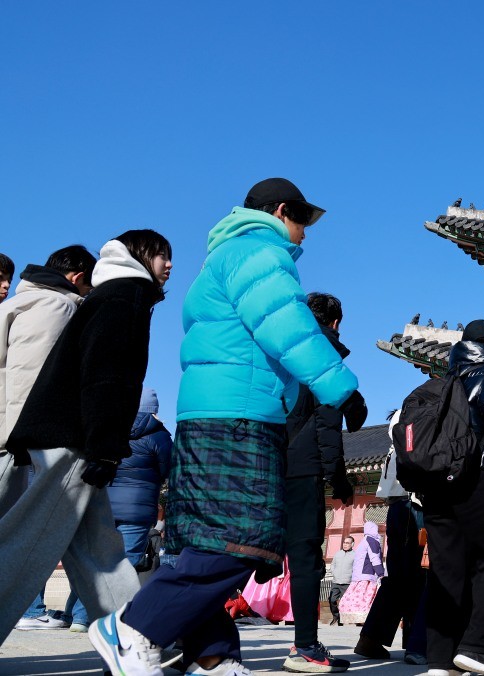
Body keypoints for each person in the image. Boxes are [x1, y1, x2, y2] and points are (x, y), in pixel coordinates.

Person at [89, 179, 367, 676]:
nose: (305, 234)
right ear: (282, 211)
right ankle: (132, 629)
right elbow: (287, 324)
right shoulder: (259, 252)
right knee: (244, 538)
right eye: (303, 220)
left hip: (208, 414)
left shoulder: (223, 256)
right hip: (237, 417)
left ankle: (211, 656)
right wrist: (341, 388)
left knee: (203, 541)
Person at [2, 231, 170, 646]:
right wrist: (105, 447)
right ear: (141, 256)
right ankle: (135, 641)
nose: (169, 266)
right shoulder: (125, 297)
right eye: (164, 256)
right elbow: (107, 378)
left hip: (58, 434)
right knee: (25, 546)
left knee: (102, 554)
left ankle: (133, 641)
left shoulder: (109, 295)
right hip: (70, 437)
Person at [0, 245, 97, 630]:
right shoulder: (57, 306)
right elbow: (28, 378)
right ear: (76, 277)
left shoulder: (23, 301)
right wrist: (20, 441)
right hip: (16, 444)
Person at [424, 319, 484, 676]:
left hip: (437, 480)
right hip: (478, 473)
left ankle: (439, 659)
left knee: (447, 567)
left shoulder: (447, 375)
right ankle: (479, 647)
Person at [281, 291, 357, 672]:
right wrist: (339, 480)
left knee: (242, 552)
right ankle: (305, 646)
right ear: (336, 322)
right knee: (306, 560)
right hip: (304, 471)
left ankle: (189, 634)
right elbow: (328, 425)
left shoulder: (280, 350)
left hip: (268, 463)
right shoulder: (322, 356)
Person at [356, 409, 430, 665]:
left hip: (397, 509)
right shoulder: (410, 442)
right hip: (414, 509)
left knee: (402, 575)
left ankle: (376, 638)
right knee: (417, 574)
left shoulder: (392, 447)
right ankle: (410, 642)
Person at [107, 388, 173, 569]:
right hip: (138, 510)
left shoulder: (109, 429)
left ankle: (85, 598)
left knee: (99, 567)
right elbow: (169, 470)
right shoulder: (159, 435)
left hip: (103, 506)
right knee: (126, 566)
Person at [338, 521, 385, 625]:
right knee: (366, 599)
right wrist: (381, 573)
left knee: (356, 598)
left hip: (358, 575)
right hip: (367, 575)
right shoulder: (372, 541)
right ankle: (364, 619)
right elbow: (374, 558)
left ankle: (358, 619)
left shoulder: (363, 541)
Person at [329, 536, 355, 626]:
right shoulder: (338, 554)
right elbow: (333, 564)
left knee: (345, 603)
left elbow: (356, 568)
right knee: (332, 600)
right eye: (344, 542)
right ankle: (336, 616)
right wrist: (334, 572)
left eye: (347, 543)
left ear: (352, 544)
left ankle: (342, 619)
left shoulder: (355, 555)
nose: (345, 544)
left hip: (347, 583)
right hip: (336, 581)